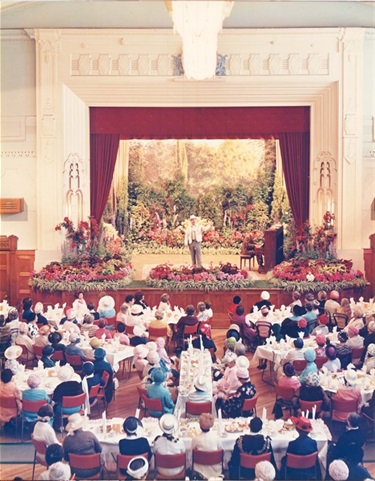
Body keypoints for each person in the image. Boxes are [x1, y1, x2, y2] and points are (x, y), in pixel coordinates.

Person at [63, 413, 102, 479]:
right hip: (94, 469)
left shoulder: (67, 440)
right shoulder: (89, 435)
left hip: (75, 471)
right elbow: (99, 450)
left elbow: (66, 458)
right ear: (82, 425)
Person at [191, 413, 223, 479]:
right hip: (215, 470)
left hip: (199, 470)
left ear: (200, 426)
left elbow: (191, 455)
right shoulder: (216, 438)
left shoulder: (195, 439)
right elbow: (221, 451)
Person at [153, 414, 185, 478]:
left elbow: (154, 452)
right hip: (177, 470)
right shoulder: (179, 442)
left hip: (161, 470)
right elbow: (183, 453)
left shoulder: (157, 442)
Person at [52, 365, 83, 430]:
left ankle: (58, 425)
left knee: (54, 406)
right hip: (77, 407)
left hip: (63, 409)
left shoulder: (59, 388)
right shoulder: (77, 384)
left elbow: (55, 400)